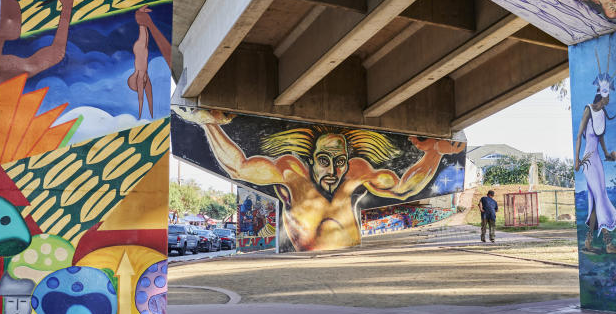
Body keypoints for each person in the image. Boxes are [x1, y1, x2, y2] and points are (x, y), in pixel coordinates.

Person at [176, 108, 465, 251]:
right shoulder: (292, 171)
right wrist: (209, 123)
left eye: (339, 162)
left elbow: (404, 187)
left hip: (346, 256)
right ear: (311, 158)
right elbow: (239, 167)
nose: (333, 170)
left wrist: (434, 154)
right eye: (325, 161)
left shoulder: (357, 171)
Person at [573, 71, 616, 253]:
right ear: (601, 95)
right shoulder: (589, 109)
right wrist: (576, 160)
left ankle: (588, 241)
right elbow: (579, 136)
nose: (608, 98)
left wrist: (608, 154)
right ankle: (608, 243)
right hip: (587, 161)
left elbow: (600, 138)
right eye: (607, 95)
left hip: (597, 160)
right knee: (600, 196)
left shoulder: (602, 113)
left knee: (595, 199)